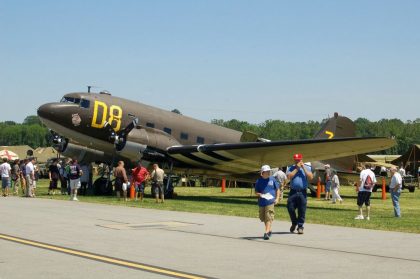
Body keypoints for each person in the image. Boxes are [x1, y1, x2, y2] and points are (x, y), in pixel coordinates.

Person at [286, 154, 313, 234]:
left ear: (301, 159)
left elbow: (310, 177)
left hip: (302, 192)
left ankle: (300, 226)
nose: (297, 161)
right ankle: (294, 223)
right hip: (293, 191)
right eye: (296, 160)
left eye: (299, 159)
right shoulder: (291, 167)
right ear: (294, 160)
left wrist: (303, 167)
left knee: (302, 210)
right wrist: (297, 169)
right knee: (290, 207)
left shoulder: (307, 167)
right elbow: (289, 177)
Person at [255, 165, 280, 240]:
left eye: (269, 171)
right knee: (263, 218)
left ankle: (266, 232)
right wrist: (259, 194)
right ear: (262, 173)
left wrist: (277, 198)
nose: (268, 173)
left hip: (270, 201)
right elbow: (256, 192)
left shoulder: (273, 179)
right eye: (266, 171)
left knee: (268, 216)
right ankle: (269, 230)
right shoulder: (258, 181)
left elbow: (277, 189)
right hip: (262, 202)